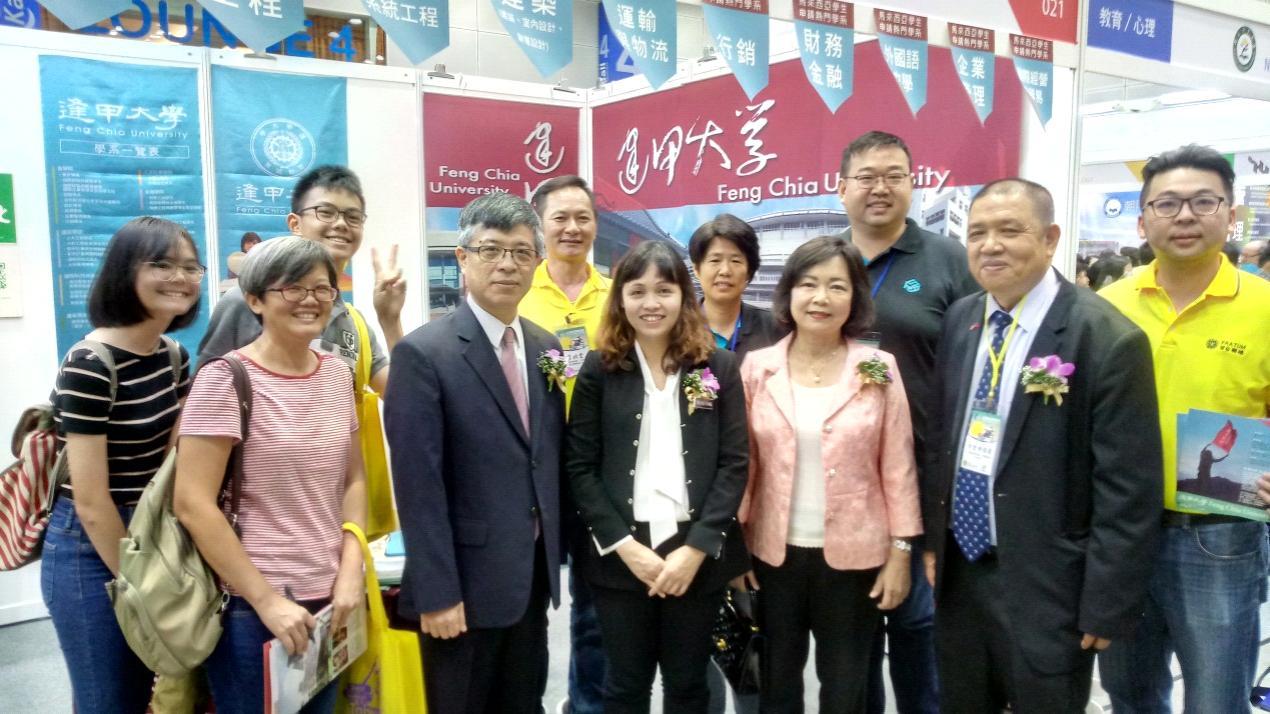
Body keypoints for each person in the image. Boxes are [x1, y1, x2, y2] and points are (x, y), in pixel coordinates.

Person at [923, 179, 1162, 713]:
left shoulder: (1105, 338)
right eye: (978, 232)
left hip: (1049, 581)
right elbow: (943, 439)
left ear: (1051, 238)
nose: (990, 245)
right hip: (962, 570)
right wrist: (933, 542)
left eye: (1011, 231)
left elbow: (1128, 487)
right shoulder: (963, 320)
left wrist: (1105, 603)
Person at [1097, 144, 1270, 713]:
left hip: (1220, 532)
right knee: (1131, 693)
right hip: (1121, 533)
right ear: (1143, 219)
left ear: (1230, 213)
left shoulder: (1263, 305)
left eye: (1203, 201)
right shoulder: (1105, 305)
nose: (1186, 216)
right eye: (1167, 204)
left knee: (1217, 699)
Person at [384, 192, 566, 714]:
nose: (507, 263)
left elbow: (543, 459)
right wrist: (439, 593)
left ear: (537, 262)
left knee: (522, 702)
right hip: (459, 589)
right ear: (462, 259)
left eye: (521, 251)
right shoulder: (424, 353)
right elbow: (419, 486)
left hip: (529, 578)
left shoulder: (546, 347)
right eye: (490, 250)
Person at [175, 236, 366, 714]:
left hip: (328, 598)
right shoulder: (225, 379)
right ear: (255, 299)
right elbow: (192, 503)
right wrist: (265, 601)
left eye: (323, 289)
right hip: (251, 604)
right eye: (292, 289)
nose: (310, 300)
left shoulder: (339, 375)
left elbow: (354, 480)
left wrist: (350, 568)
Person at [738, 235, 922, 713]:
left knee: (847, 689)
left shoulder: (879, 368)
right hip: (772, 558)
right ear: (789, 293)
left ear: (855, 298)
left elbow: (898, 463)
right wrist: (734, 549)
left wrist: (901, 551)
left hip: (856, 559)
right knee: (777, 686)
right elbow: (744, 465)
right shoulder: (758, 369)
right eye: (808, 284)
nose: (821, 298)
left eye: (836, 287)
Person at [565, 240, 750, 714]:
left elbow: (734, 462)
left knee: (689, 685)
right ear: (620, 299)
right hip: (621, 554)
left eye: (664, 290)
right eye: (638, 291)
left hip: (697, 552)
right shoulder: (598, 370)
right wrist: (625, 548)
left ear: (684, 298)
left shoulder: (718, 368)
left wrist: (696, 548)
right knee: (624, 686)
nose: (651, 303)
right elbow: (580, 466)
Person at [836, 130, 976, 714]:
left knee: (922, 635)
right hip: (844, 487)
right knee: (854, 643)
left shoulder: (951, 262)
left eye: (894, 174)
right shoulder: (823, 262)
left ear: (913, 185)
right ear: (841, 187)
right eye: (866, 176)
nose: (880, 187)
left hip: (926, 482)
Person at [42, 216, 200, 714]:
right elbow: (90, 501)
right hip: (89, 547)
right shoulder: (90, 364)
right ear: (123, 273)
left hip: (149, 530)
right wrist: (141, 587)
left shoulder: (172, 355)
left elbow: (171, 460)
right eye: (162, 264)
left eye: (189, 267)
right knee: (108, 699)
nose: (180, 277)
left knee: (153, 691)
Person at [518, 175, 610, 714]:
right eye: (561, 218)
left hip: (598, 466)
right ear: (540, 226)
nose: (573, 228)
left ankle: (586, 706)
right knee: (527, 600)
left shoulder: (619, 291)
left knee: (595, 607)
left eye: (583, 217)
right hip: (534, 466)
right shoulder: (517, 291)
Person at [198, 165, 406, 392]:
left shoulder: (353, 322)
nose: (341, 224)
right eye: (326, 212)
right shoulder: (248, 300)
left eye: (353, 217)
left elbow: (400, 395)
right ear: (295, 224)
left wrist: (390, 319)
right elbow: (205, 393)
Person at [689, 214, 787, 360]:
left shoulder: (776, 329)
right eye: (715, 260)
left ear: (749, 271)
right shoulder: (678, 327)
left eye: (736, 261)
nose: (725, 271)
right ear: (697, 269)